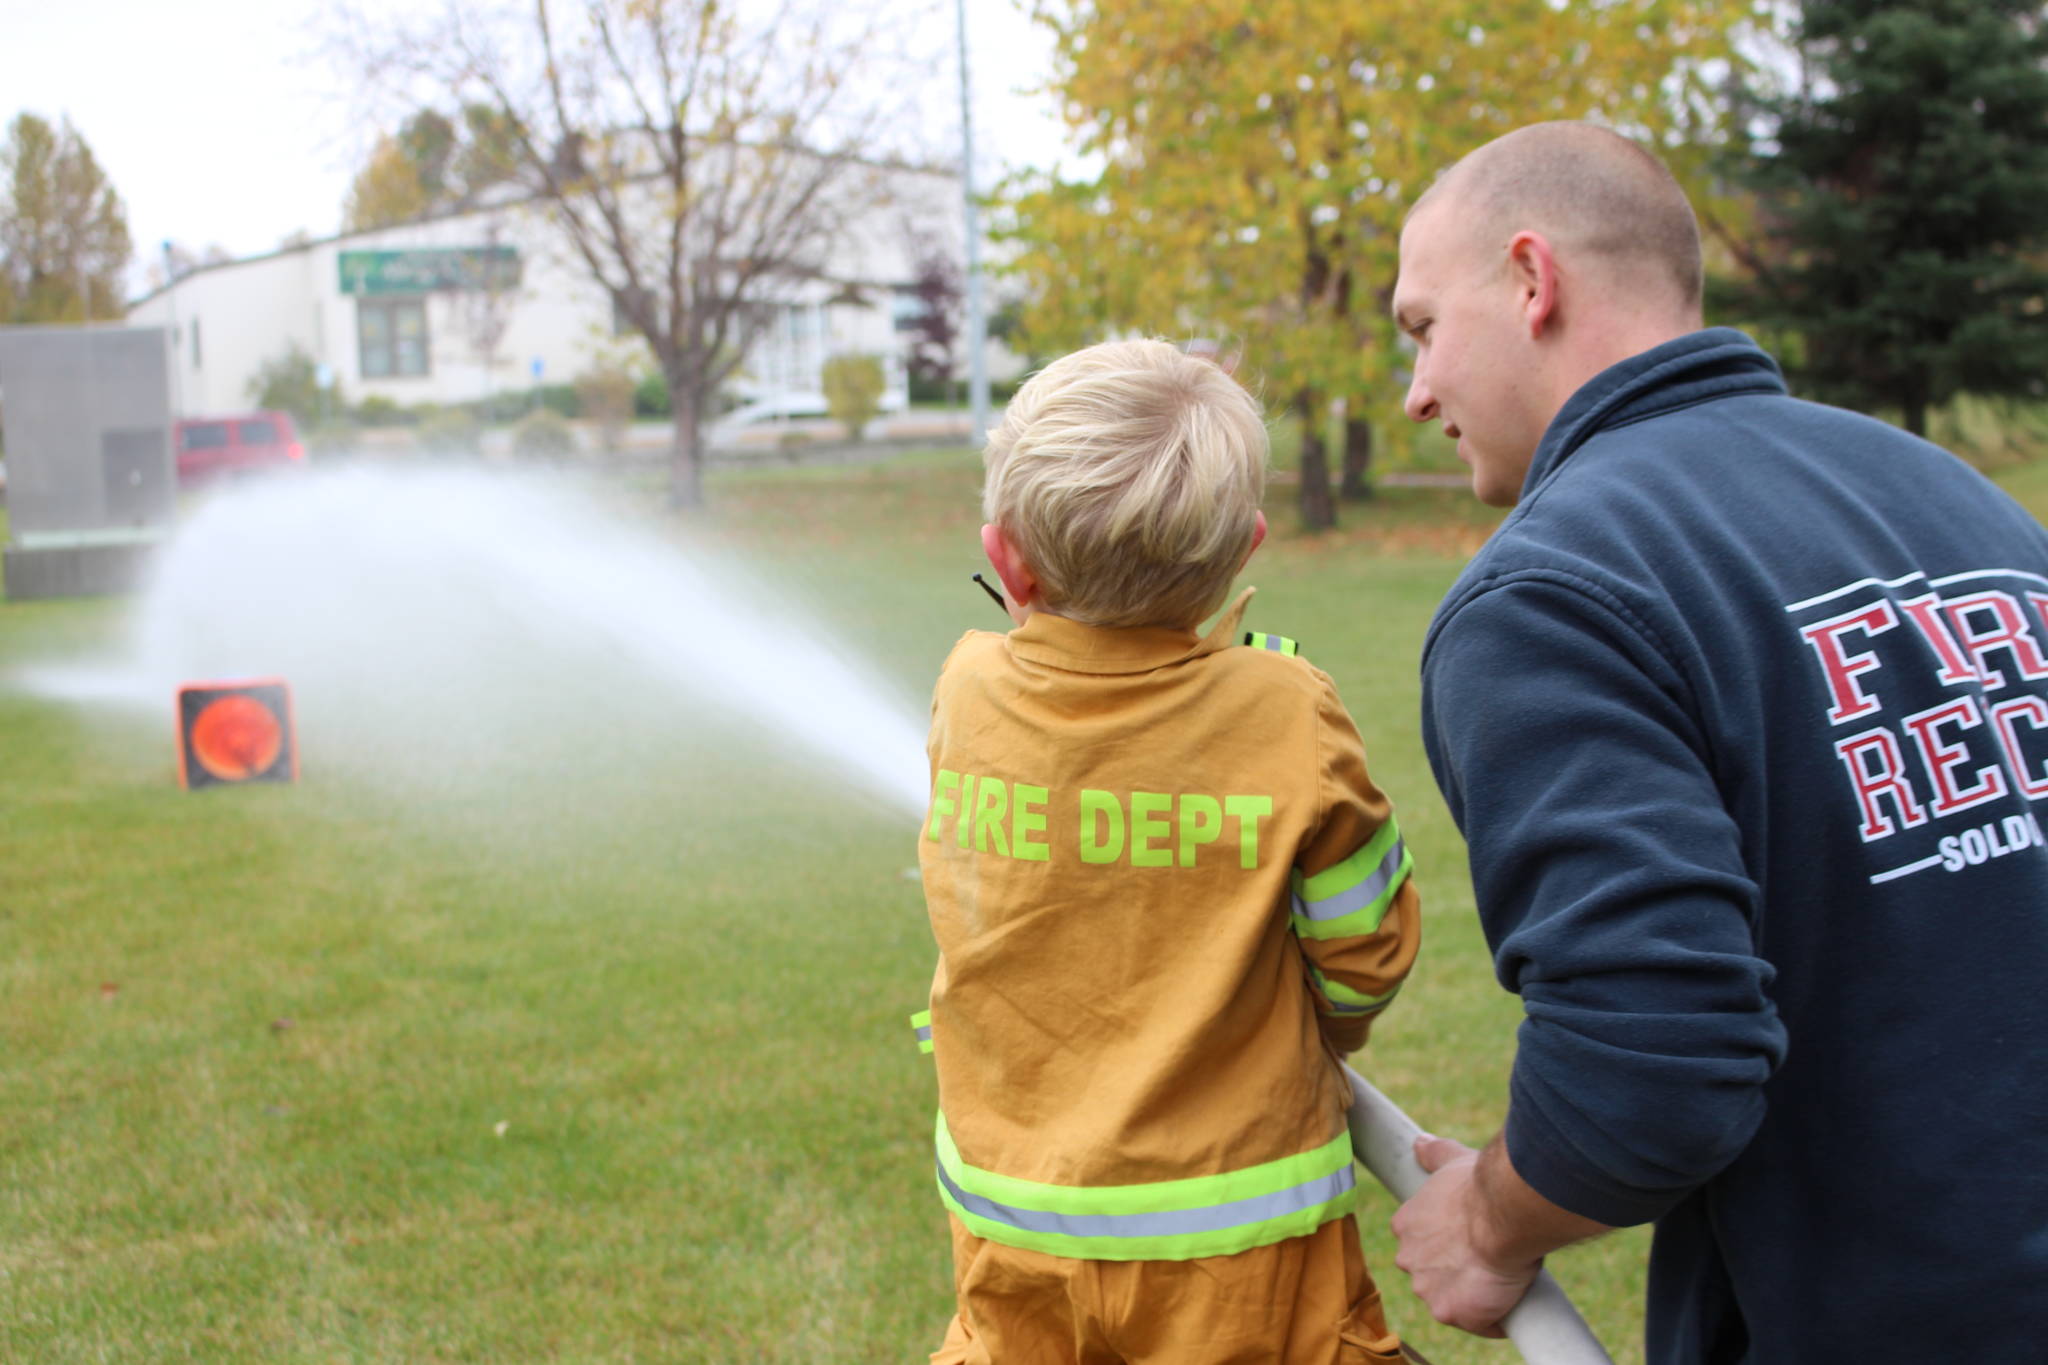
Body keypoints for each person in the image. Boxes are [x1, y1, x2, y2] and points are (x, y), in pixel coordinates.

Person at [1387, 120, 2048, 1362]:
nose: (1415, 392)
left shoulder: (1548, 595)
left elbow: (1650, 1068)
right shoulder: (1958, 499)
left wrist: (1484, 1222)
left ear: (1531, 281)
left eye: (1421, 328)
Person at [916, 338, 1421, 1365]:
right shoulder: (1285, 712)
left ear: (1003, 556)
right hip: (1243, 1249)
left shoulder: (966, 691)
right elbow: (1363, 957)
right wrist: (1329, 1029)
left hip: (1014, 1230)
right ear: (1246, 547)